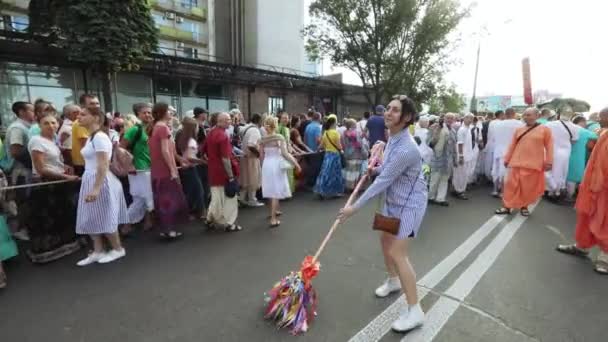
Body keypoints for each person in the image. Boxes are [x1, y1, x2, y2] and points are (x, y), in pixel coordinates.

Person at [338, 95, 427, 332]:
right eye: (388, 108)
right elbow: (387, 171)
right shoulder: (393, 139)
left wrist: (353, 208)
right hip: (392, 201)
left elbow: (383, 182)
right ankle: (393, 280)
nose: (388, 113)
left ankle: (415, 310)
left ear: (407, 117)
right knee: (385, 240)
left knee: (398, 252)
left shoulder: (407, 147)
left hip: (411, 205)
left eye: (395, 110)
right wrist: (374, 167)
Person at [74, 107, 129, 266]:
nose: (79, 117)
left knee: (105, 215)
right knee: (91, 216)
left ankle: (117, 248)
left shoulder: (100, 137)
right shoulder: (92, 137)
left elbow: (103, 164)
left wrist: (97, 188)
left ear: (96, 118)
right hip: (91, 179)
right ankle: (98, 251)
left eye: (83, 114)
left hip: (101, 181)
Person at [556, 108, 608, 274]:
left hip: (605, 188)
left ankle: (605, 257)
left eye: (602, 117)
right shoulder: (603, 134)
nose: (599, 120)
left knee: (605, 221)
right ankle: (581, 246)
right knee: (585, 216)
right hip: (592, 185)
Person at [27, 111, 81, 263]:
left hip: (57, 182)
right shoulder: (36, 141)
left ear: (58, 124)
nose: (51, 126)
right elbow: (41, 168)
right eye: (46, 123)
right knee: (47, 220)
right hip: (46, 185)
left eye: (53, 123)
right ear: (39, 125)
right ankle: (47, 252)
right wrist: (66, 177)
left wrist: (65, 167)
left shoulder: (52, 140)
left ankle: (63, 247)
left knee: (61, 216)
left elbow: (52, 162)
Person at [495, 108, 553, 216]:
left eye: (529, 115)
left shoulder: (545, 130)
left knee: (527, 188)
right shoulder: (519, 130)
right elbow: (512, 145)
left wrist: (549, 162)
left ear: (537, 116)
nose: (527, 117)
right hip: (516, 162)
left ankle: (524, 206)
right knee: (510, 185)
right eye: (525, 115)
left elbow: (549, 146)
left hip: (533, 164)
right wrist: (507, 159)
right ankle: (506, 207)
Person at [148, 103, 189, 239]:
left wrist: (179, 159)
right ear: (162, 113)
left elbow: (169, 150)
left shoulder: (156, 127)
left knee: (163, 202)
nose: (171, 113)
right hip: (164, 172)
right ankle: (169, 230)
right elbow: (165, 151)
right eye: (169, 111)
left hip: (157, 171)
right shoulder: (163, 128)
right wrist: (173, 170)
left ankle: (166, 229)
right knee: (170, 202)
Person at [202, 112, 243, 232]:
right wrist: (230, 176)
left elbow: (203, 151)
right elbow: (225, 159)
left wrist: (210, 161)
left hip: (213, 171)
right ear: (221, 121)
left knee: (216, 198)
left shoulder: (211, 133)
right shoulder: (223, 136)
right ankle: (229, 223)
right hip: (223, 173)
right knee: (230, 199)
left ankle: (209, 219)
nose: (230, 122)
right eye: (228, 120)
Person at [1, 101, 36, 241]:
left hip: (24, 170)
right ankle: (18, 230)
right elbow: (16, 151)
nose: (34, 113)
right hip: (19, 171)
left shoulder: (27, 127)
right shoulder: (17, 128)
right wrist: (32, 162)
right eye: (31, 110)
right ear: (22, 112)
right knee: (23, 200)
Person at [260, 116, 301, 227]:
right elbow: (285, 153)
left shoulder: (262, 139)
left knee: (270, 189)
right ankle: (273, 219)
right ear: (275, 125)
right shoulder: (279, 137)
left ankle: (273, 212)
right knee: (275, 191)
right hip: (276, 165)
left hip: (266, 165)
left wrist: (262, 167)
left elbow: (261, 156)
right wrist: (296, 164)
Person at [120, 103, 154, 233]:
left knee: (145, 197)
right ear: (138, 115)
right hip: (138, 169)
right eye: (144, 112)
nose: (147, 115)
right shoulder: (135, 130)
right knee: (141, 198)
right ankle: (126, 224)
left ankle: (146, 221)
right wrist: (129, 165)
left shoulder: (151, 129)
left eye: (149, 112)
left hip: (149, 167)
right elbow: (121, 148)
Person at [544, 110, 579, 200]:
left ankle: (552, 189)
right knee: (561, 172)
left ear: (559, 115)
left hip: (550, 150)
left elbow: (544, 136)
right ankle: (557, 191)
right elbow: (574, 141)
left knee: (548, 171)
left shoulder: (549, 124)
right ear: (571, 116)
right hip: (565, 151)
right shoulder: (575, 127)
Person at [176, 117, 206, 220]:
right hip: (190, 168)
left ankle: (188, 212)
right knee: (198, 191)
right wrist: (203, 161)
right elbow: (190, 157)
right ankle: (199, 213)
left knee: (189, 192)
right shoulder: (192, 141)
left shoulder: (182, 138)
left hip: (185, 169)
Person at [491, 108, 524, 197]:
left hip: (498, 149)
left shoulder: (497, 124)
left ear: (505, 114)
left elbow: (494, 138)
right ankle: (502, 191)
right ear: (514, 114)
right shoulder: (519, 124)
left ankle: (494, 189)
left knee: (496, 169)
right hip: (510, 151)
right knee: (506, 171)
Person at [565, 116, 598, 200]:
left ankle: (556, 192)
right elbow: (597, 137)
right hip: (577, 158)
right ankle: (569, 196)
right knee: (572, 179)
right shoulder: (585, 132)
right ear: (582, 122)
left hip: (564, 156)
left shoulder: (567, 129)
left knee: (564, 176)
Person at [314, 116, 345, 199]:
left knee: (325, 172)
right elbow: (339, 145)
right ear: (333, 124)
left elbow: (321, 145)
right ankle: (335, 191)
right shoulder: (335, 133)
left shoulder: (326, 133)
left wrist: (317, 150)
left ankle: (321, 189)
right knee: (335, 174)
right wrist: (341, 150)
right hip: (335, 155)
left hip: (327, 155)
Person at [428, 113, 456, 206]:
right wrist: (436, 134)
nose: (449, 119)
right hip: (437, 158)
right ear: (444, 118)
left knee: (444, 180)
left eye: (451, 118)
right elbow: (429, 142)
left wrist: (455, 159)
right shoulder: (436, 127)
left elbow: (454, 147)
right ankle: (430, 197)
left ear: (454, 120)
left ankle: (440, 199)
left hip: (448, 160)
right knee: (434, 179)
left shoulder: (453, 131)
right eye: (448, 117)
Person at [238, 113, 264, 207]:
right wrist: (258, 154)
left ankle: (241, 198)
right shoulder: (255, 131)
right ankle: (252, 199)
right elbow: (251, 144)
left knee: (246, 178)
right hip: (252, 158)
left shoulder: (246, 128)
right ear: (259, 121)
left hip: (244, 156)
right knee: (253, 178)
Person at [72, 94, 101, 176]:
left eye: (97, 103)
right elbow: (87, 147)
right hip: (85, 165)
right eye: (92, 104)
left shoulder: (93, 122)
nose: (96, 106)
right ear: (83, 105)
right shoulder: (81, 123)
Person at [452, 113, 476, 200]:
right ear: (464, 118)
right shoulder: (462, 129)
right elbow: (460, 144)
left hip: (468, 155)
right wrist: (461, 156)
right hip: (462, 156)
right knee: (461, 174)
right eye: (468, 118)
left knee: (463, 174)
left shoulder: (468, 129)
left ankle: (458, 190)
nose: (470, 120)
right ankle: (459, 191)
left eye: (472, 119)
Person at [342, 118, 368, 191]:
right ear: (353, 125)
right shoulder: (355, 133)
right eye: (355, 123)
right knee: (357, 171)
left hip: (348, 153)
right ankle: (356, 187)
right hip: (356, 154)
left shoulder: (344, 132)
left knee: (349, 171)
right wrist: (365, 152)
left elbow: (344, 143)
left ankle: (349, 186)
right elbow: (359, 144)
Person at [278, 111, 296, 193]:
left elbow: (288, 142)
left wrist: (291, 149)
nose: (286, 119)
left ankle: (287, 191)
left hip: (288, 152)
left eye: (287, 118)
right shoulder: (278, 128)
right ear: (280, 119)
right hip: (282, 154)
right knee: (283, 173)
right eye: (284, 118)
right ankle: (283, 192)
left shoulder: (287, 129)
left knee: (288, 173)